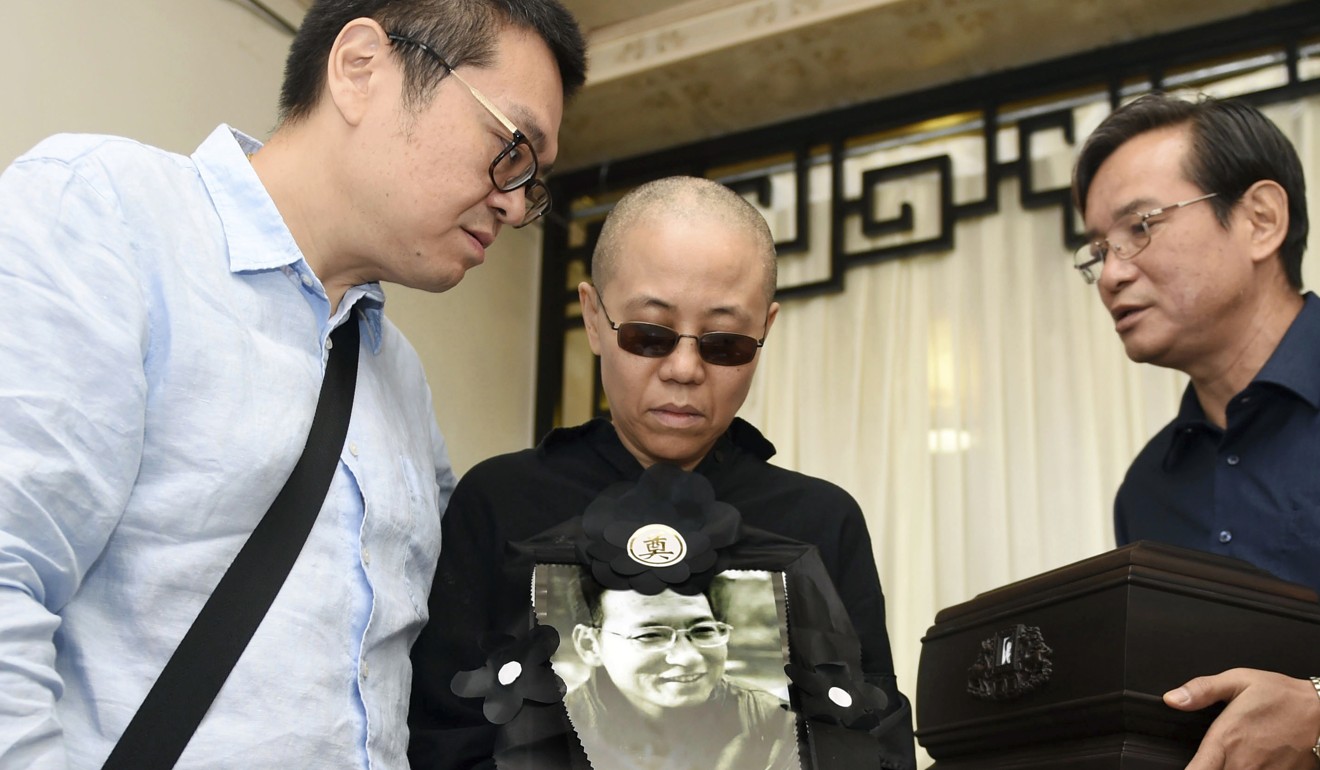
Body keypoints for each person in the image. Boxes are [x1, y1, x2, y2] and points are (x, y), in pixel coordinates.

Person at [0, 1, 585, 767]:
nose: (514, 203)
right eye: (512, 147)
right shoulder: (108, 215)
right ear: (361, 68)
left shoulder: (397, 373)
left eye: (533, 179)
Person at [408, 175, 917, 769]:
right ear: (594, 319)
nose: (684, 368)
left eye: (724, 343)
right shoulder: (501, 500)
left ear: (764, 332)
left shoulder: (821, 521)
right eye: (650, 335)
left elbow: (876, 741)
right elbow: (442, 739)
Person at [1071, 92, 1318, 769]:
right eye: (1098, 250)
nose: (1113, 273)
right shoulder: (1149, 486)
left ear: (1260, 220)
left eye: (1141, 227)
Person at [564, 574, 799, 770]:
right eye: (651, 635)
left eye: (703, 630)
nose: (689, 657)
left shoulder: (779, 723)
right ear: (589, 645)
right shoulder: (554, 728)